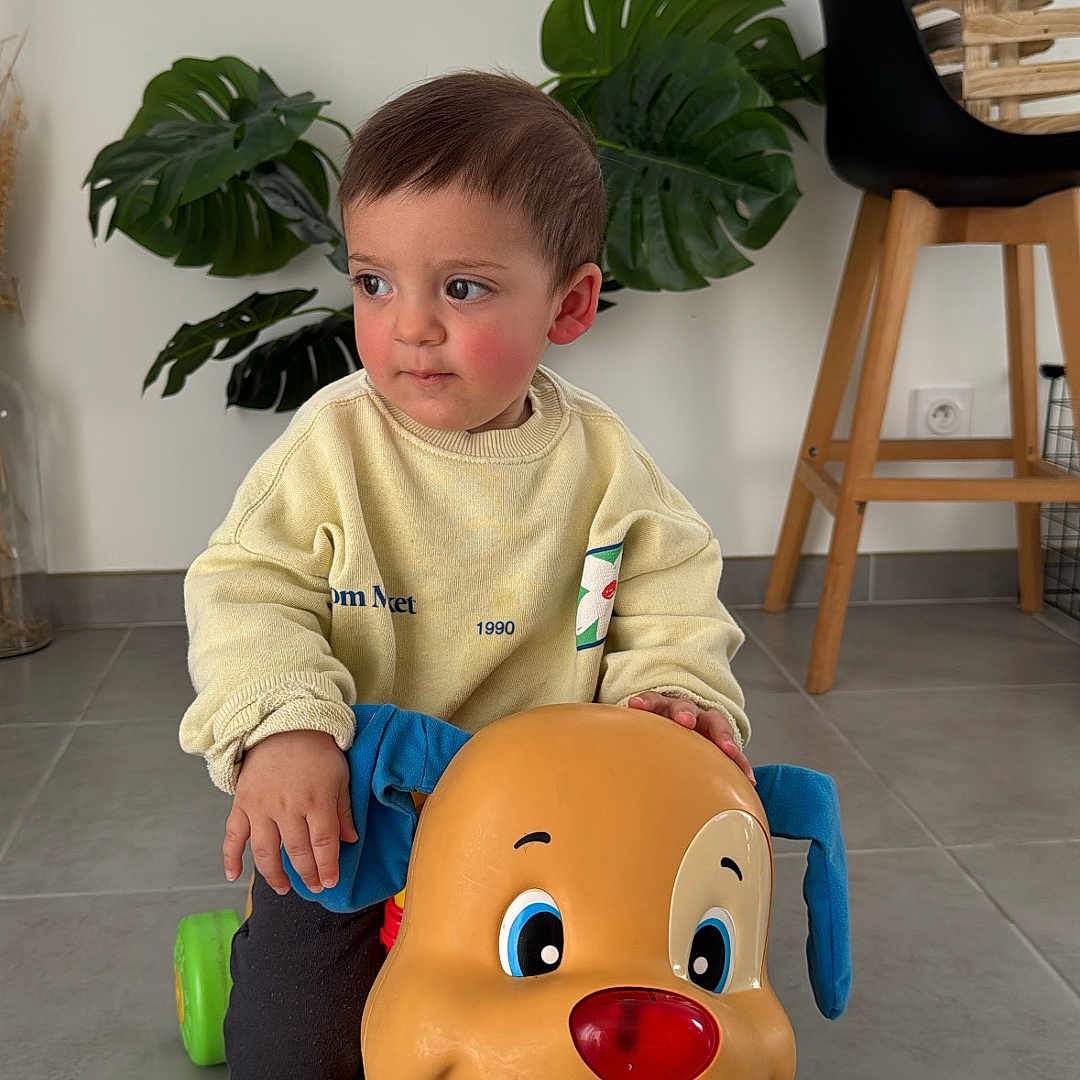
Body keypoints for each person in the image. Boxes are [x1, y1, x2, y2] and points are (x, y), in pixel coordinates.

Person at [179, 68, 754, 1080]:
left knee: (610, 1023)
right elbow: (247, 586)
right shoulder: (331, 450)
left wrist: (673, 691)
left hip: (549, 823)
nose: (409, 325)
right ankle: (257, 972)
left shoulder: (606, 468)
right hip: (354, 808)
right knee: (294, 1049)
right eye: (373, 283)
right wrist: (284, 724)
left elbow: (671, 591)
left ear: (567, 305)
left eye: (462, 287)